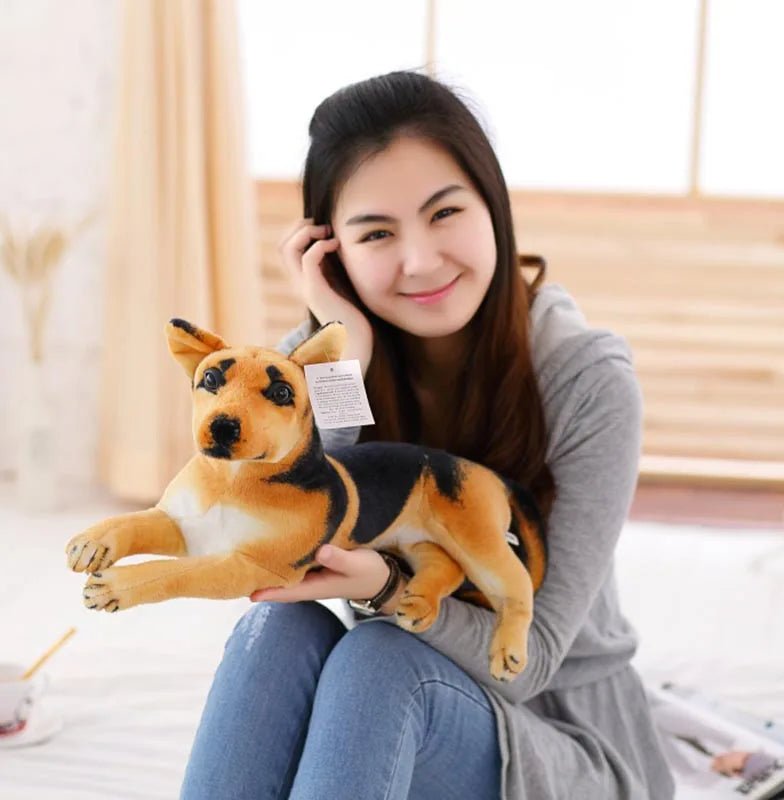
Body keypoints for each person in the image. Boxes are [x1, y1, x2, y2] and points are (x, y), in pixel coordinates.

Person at [179, 70, 675, 800]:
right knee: (277, 635)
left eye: (445, 214)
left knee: (382, 657)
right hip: (404, 717)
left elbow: (531, 658)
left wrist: (386, 588)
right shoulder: (318, 365)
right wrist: (345, 363)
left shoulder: (586, 377)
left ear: (493, 207)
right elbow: (279, 544)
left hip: (568, 741)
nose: (420, 260)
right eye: (377, 233)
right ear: (330, 251)